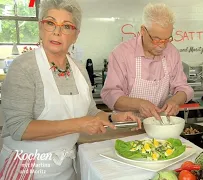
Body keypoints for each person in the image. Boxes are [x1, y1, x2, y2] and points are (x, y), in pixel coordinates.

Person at [0, 0, 141, 179]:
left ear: (76, 35)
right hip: (27, 167)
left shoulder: (78, 68)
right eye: (50, 23)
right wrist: (79, 124)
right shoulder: (24, 67)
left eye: (66, 26)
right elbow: (19, 128)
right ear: (41, 27)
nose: (57, 32)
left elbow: (90, 112)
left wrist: (113, 117)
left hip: (66, 168)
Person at [101, 3, 194, 120]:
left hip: (159, 125)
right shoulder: (122, 54)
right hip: (128, 126)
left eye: (167, 39)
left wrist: (175, 101)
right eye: (157, 39)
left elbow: (183, 88)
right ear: (143, 30)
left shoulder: (172, 52)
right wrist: (139, 104)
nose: (162, 46)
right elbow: (109, 94)